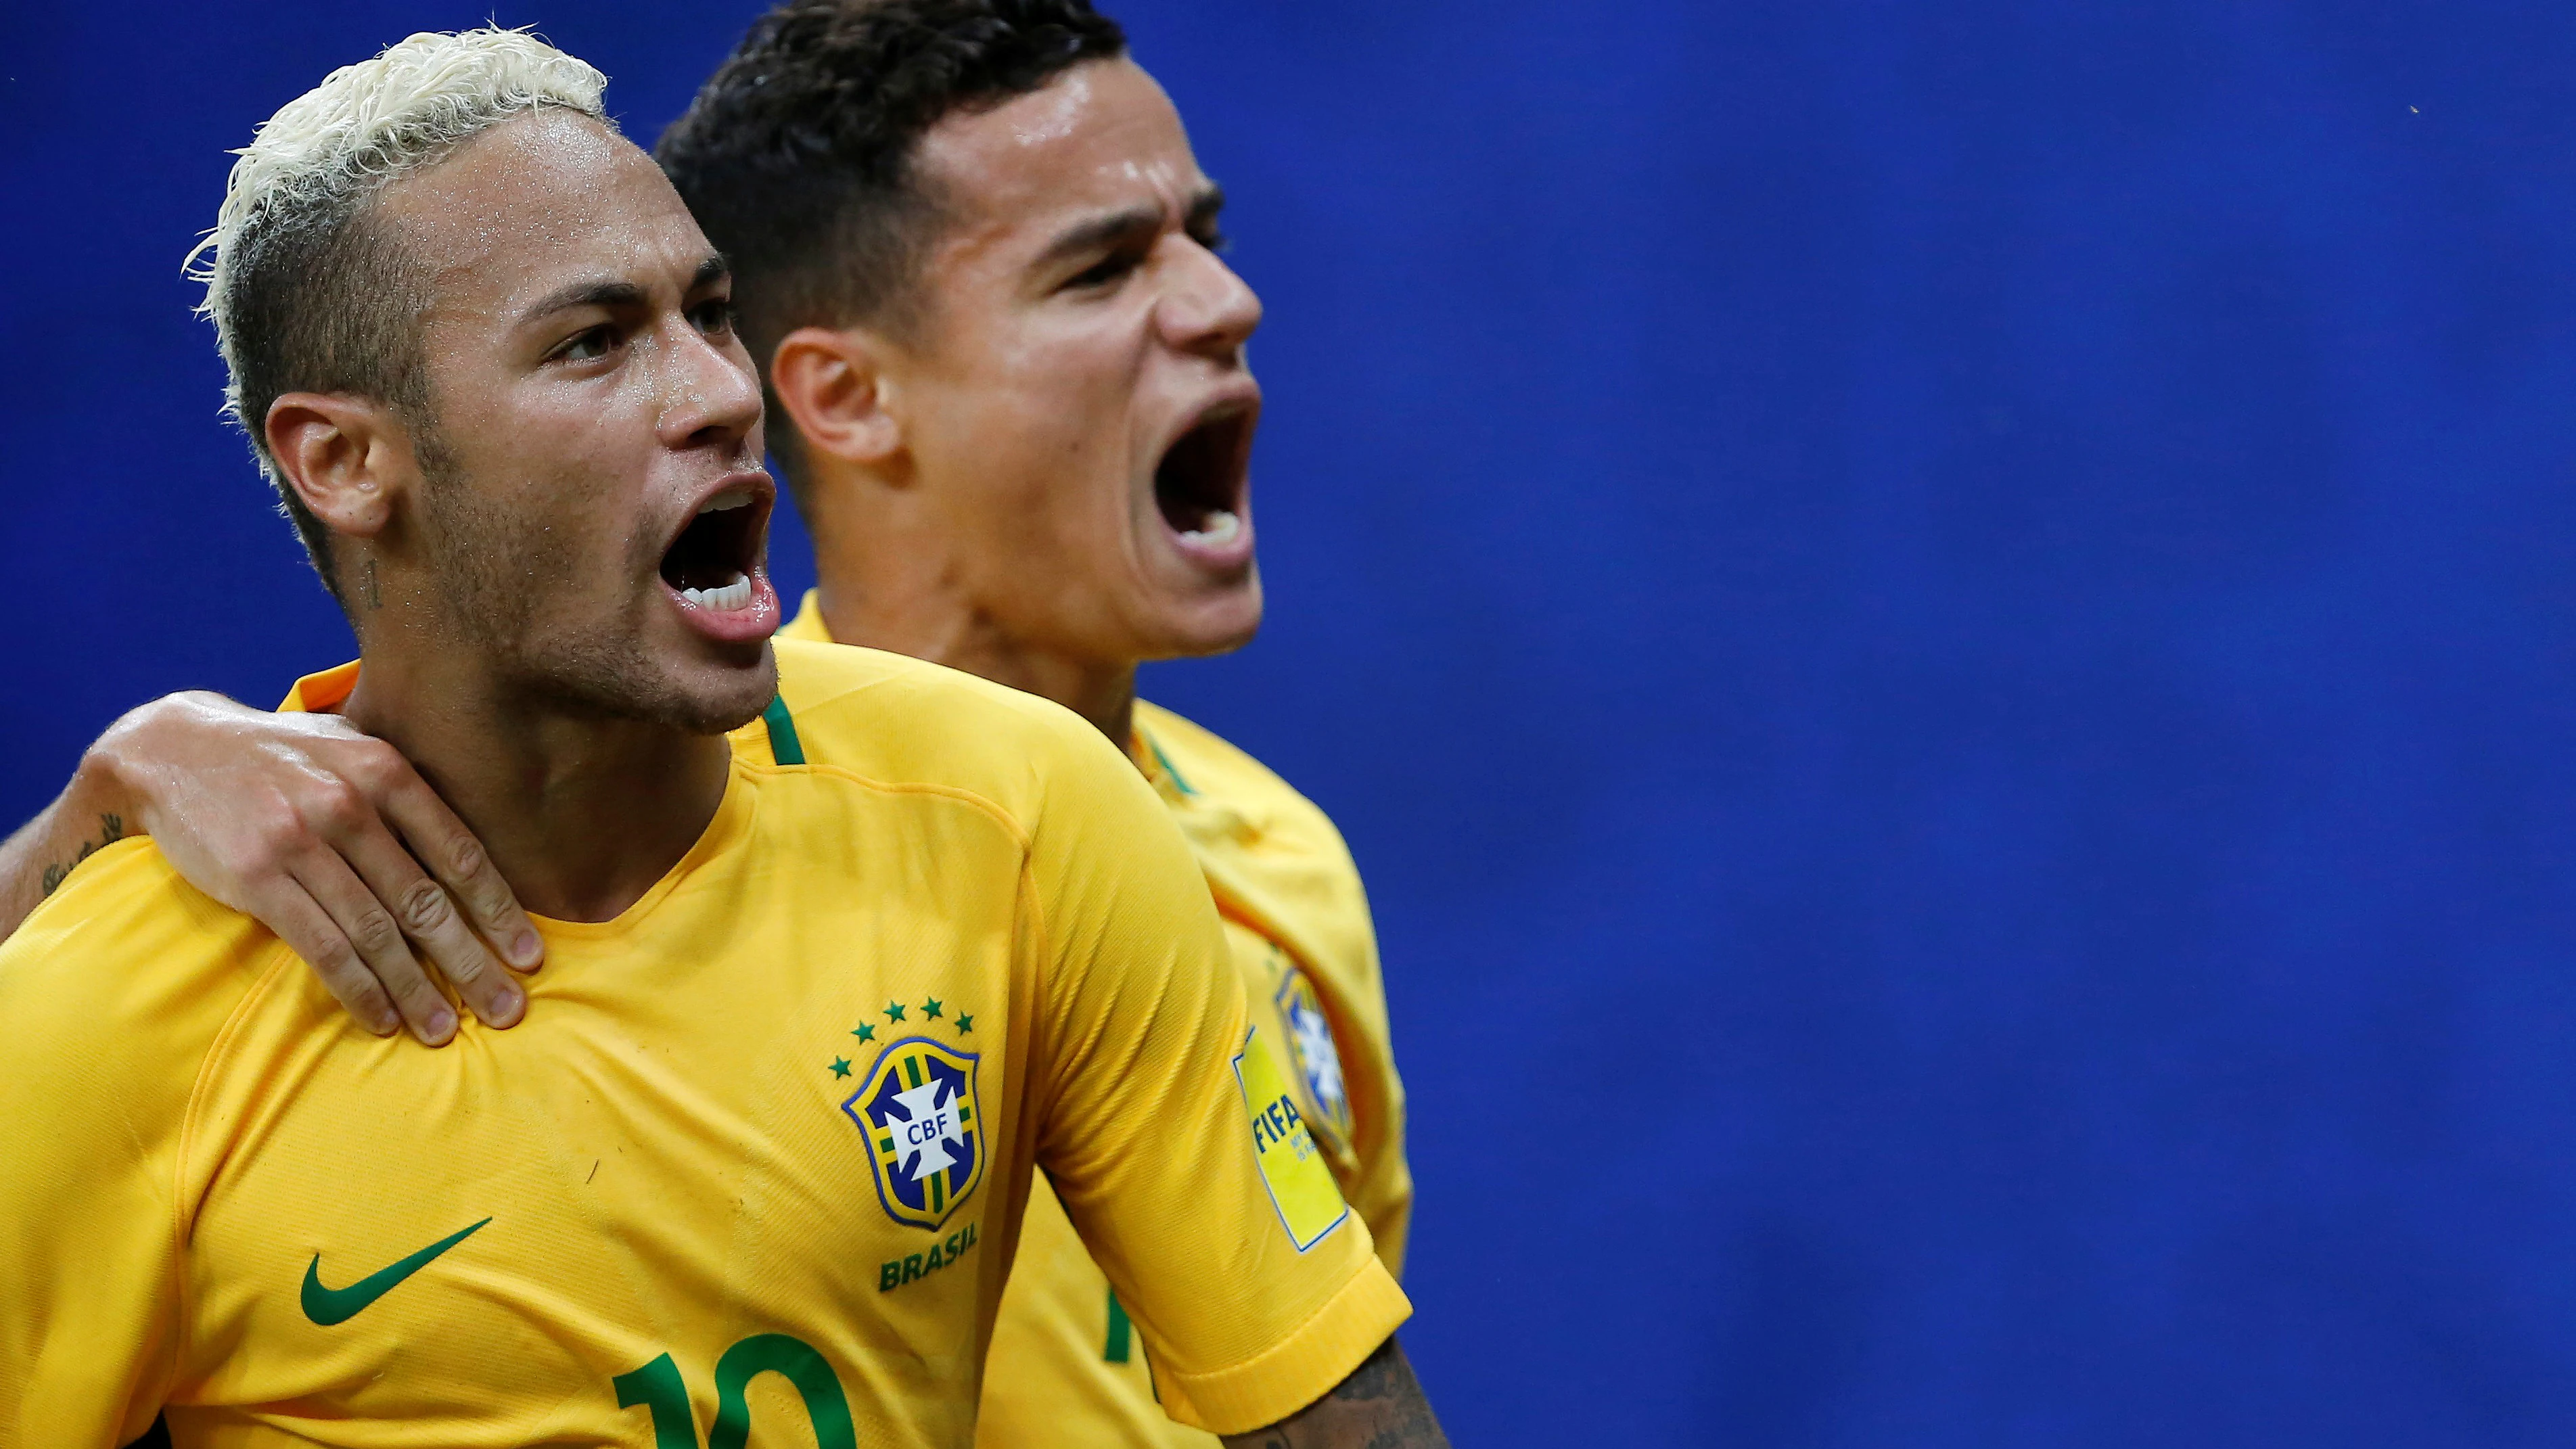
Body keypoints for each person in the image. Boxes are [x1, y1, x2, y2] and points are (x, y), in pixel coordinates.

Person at [0, 5, 1418, 1448]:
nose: (718, 393)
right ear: (348, 459)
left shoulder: (1037, 820)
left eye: (711, 314)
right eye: (594, 343)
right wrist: (72, 833)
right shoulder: (112, 1012)